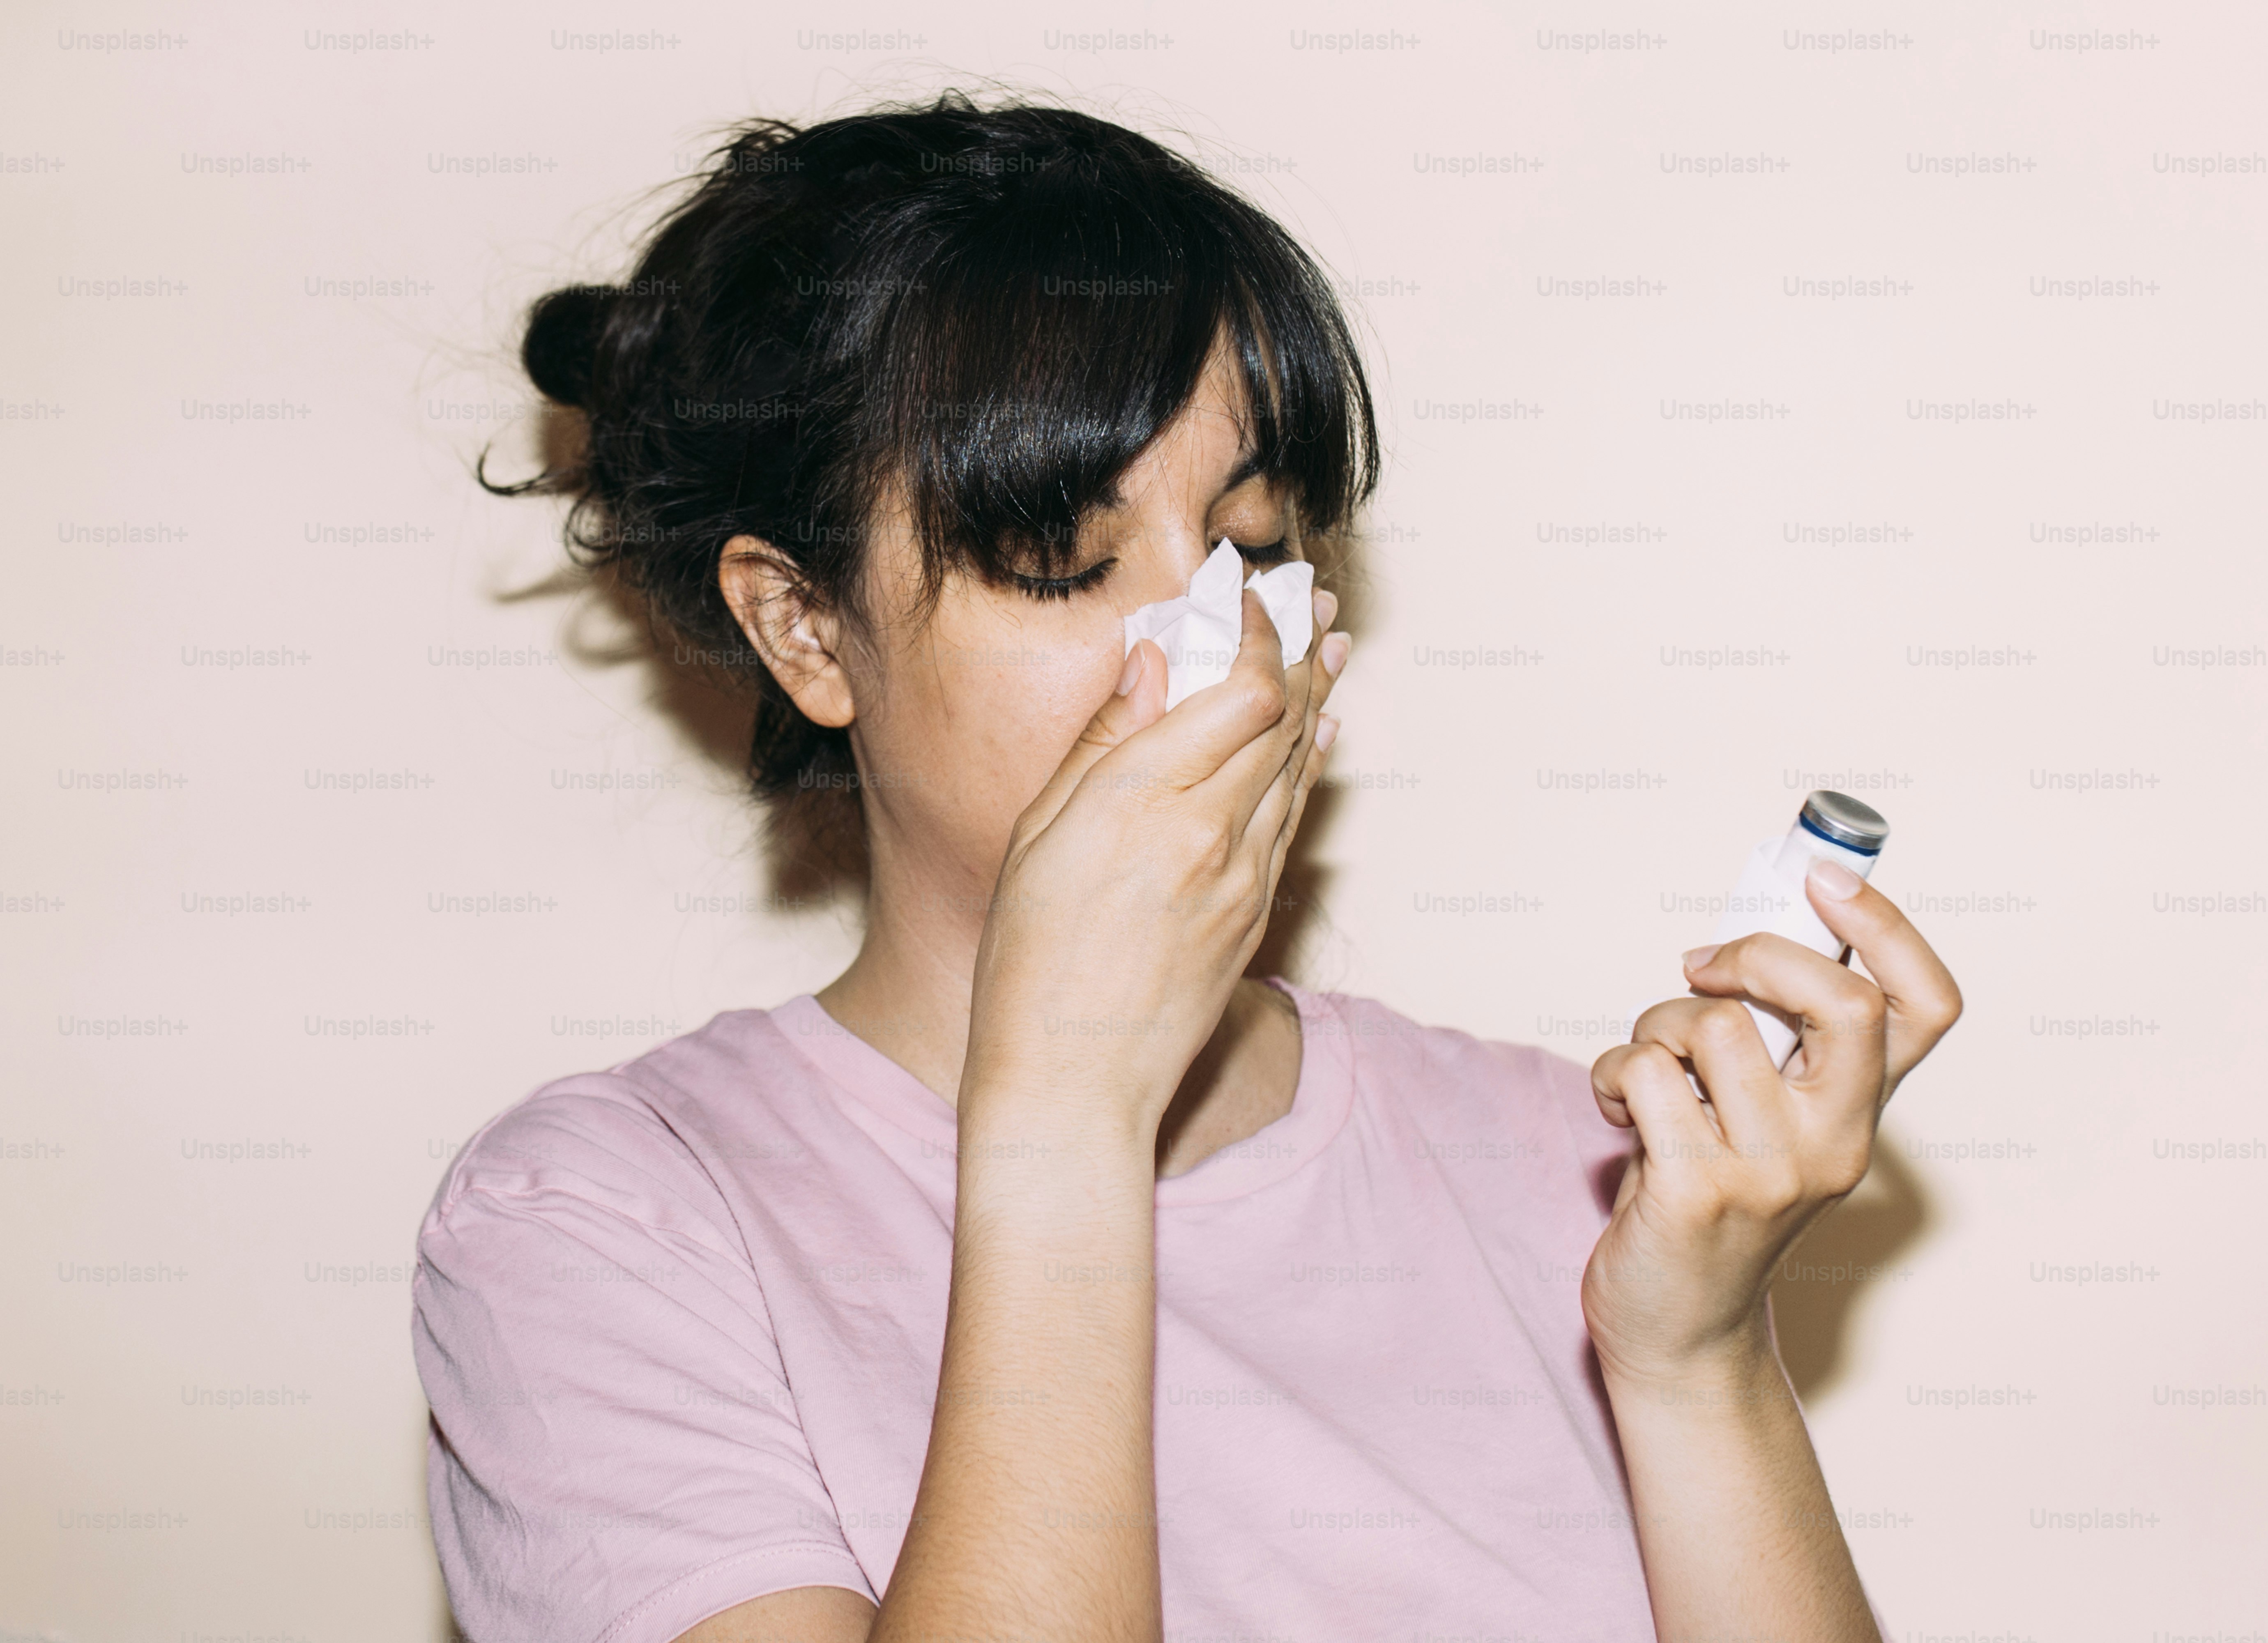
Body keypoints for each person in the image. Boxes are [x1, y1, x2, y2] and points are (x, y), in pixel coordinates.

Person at [412, 92, 1962, 1643]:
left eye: (1260, 540)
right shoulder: (606, 1229)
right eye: (1061, 562)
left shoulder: (1568, 1162)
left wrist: (1699, 1358)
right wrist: (1072, 1104)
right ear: (806, 628)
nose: (1224, 647)